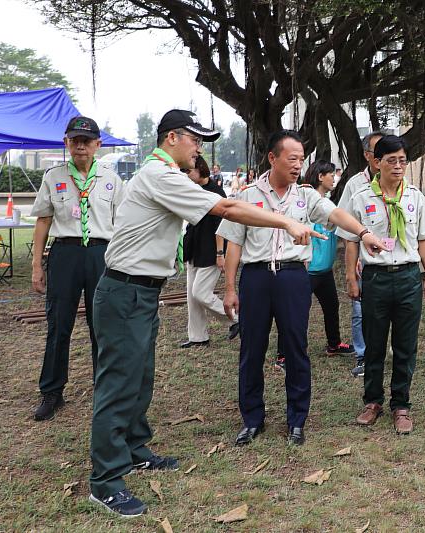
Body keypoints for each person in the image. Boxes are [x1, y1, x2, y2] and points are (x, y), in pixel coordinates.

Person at [88, 110, 320, 518]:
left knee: (139, 376)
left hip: (141, 291)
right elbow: (228, 209)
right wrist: (284, 221)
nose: (199, 148)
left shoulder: (166, 175)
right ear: (173, 137)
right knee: (118, 382)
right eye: (195, 139)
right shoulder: (162, 176)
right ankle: (106, 480)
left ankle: (135, 447)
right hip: (125, 290)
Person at [218, 130, 386, 448]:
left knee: (296, 348)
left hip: (294, 277)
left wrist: (363, 232)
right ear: (273, 157)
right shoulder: (247, 195)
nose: (298, 165)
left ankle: (297, 419)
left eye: (301, 159)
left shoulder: (305, 196)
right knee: (251, 349)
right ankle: (252, 419)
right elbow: (234, 245)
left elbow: (335, 213)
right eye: (292, 158)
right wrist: (229, 287)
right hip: (256, 278)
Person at [29, 116, 125, 422]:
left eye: (86, 141)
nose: (80, 146)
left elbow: (122, 223)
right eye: (75, 140)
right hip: (66, 254)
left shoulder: (111, 179)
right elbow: (43, 220)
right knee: (59, 324)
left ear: (98, 145)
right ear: (66, 143)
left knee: (103, 324)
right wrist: (36, 265)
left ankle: (105, 388)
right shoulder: (53, 177)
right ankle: (52, 392)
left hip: (101, 253)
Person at [340, 135, 425, 434]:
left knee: (406, 345)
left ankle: (401, 404)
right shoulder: (361, 199)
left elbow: (424, 239)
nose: (398, 166)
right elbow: (351, 242)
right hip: (376, 278)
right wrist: (351, 279)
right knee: (374, 343)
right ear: (376, 162)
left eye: (402, 160)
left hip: (408, 277)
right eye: (391, 160)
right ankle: (372, 401)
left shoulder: (415, 197)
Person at [337, 130, 385, 377]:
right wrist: (351, 266)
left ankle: (383, 354)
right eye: (378, 151)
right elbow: (345, 226)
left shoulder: (401, 182)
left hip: (390, 261)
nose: (384, 157)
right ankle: (363, 355)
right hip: (363, 260)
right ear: (367, 155)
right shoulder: (355, 184)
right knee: (360, 311)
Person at [179, 155, 238, 349]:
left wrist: (221, 254)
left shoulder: (216, 192)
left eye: (189, 171)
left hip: (211, 250)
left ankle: (235, 320)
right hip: (193, 248)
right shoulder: (193, 190)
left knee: (200, 293)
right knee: (191, 297)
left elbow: (222, 226)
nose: (187, 175)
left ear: (200, 169)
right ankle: (198, 337)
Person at [304, 159, 357, 357]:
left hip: (325, 270)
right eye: (331, 174)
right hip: (307, 270)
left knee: (332, 307)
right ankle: (285, 353)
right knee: (297, 312)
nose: (335, 178)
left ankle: (334, 345)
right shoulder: (306, 202)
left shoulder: (329, 204)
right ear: (320, 177)